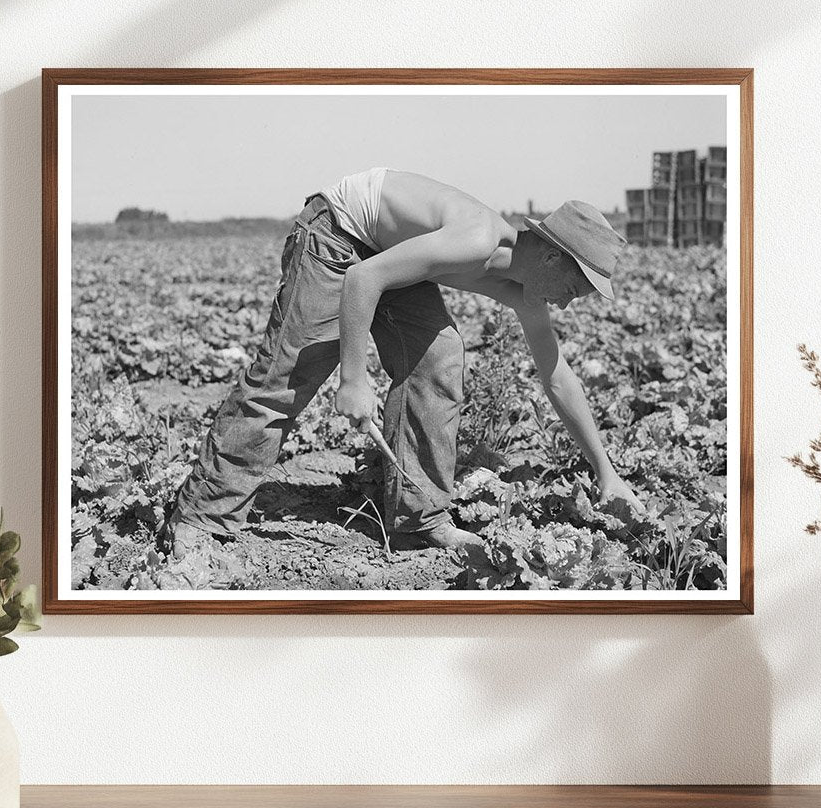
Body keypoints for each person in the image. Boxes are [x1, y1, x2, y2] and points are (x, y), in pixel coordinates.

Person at [159, 168, 644, 558]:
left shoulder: (523, 290)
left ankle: (420, 519)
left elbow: (556, 376)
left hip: (384, 254)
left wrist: (606, 472)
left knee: (438, 356)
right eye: (575, 291)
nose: (566, 304)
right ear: (556, 260)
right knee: (289, 375)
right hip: (338, 233)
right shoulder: (476, 239)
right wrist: (353, 380)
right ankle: (203, 516)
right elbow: (363, 280)